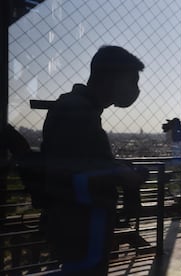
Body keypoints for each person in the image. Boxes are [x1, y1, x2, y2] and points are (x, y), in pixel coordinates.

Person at [41, 45, 145, 275]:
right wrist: (121, 175)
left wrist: (113, 169)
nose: (136, 90)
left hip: (75, 223)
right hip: (84, 225)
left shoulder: (75, 107)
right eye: (132, 81)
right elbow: (77, 175)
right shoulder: (79, 113)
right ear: (113, 78)